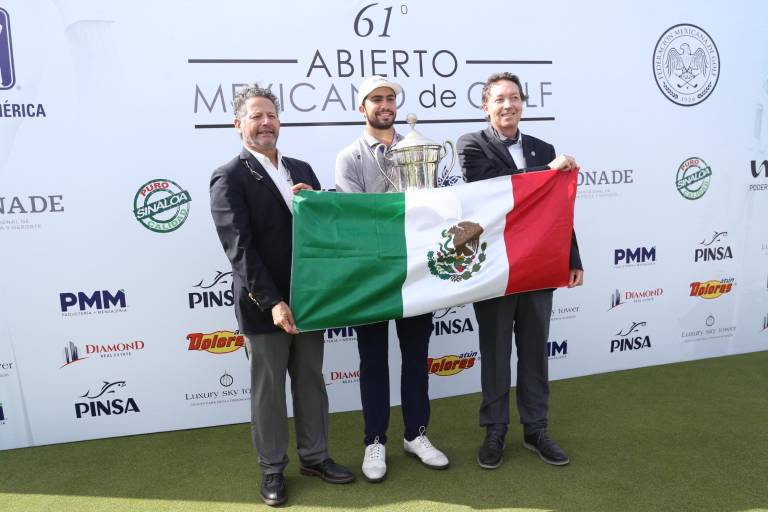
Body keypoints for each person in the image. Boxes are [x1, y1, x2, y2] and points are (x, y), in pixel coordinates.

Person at [210, 85, 354, 506]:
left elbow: (321, 232)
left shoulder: (299, 167)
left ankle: (315, 457)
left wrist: (318, 201)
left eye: (271, 115)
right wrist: (272, 301)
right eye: (255, 116)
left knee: (310, 381)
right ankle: (272, 469)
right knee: (268, 390)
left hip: (309, 299)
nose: (265, 122)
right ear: (238, 125)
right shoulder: (229, 176)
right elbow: (239, 248)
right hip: (265, 305)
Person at [457, 72, 584, 469]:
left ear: (522, 103)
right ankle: (495, 431)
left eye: (514, 98)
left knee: (534, 351)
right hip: (494, 269)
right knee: (495, 353)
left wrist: (571, 258)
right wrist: (546, 170)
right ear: (486, 106)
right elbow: (491, 188)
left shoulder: (542, 146)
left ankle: (536, 430)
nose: (508, 105)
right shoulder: (471, 145)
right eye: (499, 99)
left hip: (540, 266)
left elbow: (557, 208)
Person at [335, 75, 449, 482]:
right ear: (361, 107)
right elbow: (356, 219)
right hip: (371, 276)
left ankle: (416, 434)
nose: (385, 105)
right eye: (376, 99)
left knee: (417, 357)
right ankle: (375, 441)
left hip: (417, 272)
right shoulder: (349, 157)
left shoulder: (416, 149)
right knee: (373, 361)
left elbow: (433, 209)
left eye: (390, 99)